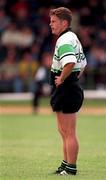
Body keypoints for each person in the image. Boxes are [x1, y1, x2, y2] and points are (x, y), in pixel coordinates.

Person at [49, 7, 87, 175]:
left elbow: (70, 62)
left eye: (54, 21)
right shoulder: (73, 37)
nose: (51, 24)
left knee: (69, 132)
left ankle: (71, 168)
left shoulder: (64, 40)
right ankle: (66, 164)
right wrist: (72, 79)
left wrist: (63, 79)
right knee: (64, 131)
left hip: (66, 88)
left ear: (64, 23)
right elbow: (82, 64)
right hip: (68, 87)